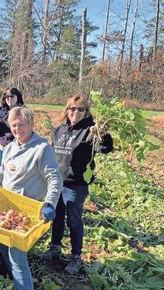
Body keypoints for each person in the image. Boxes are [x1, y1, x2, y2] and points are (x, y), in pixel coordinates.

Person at [0, 106, 62, 290]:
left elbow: (54, 178)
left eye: (21, 124)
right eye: (14, 125)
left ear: (31, 125)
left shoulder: (41, 148)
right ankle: (18, 283)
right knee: (1, 245)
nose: (17, 128)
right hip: (6, 210)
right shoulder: (9, 148)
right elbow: (2, 174)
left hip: (26, 214)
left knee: (18, 258)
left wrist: (49, 203)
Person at [41, 94, 113, 274]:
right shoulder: (58, 130)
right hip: (57, 183)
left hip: (76, 185)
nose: (76, 112)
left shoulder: (90, 132)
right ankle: (54, 249)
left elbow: (104, 148)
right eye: (72, 108)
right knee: (56, 218)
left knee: (73, 221)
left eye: (80, 109)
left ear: (86, 112)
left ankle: (75, 257)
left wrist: (103, 134)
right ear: (67, 110)